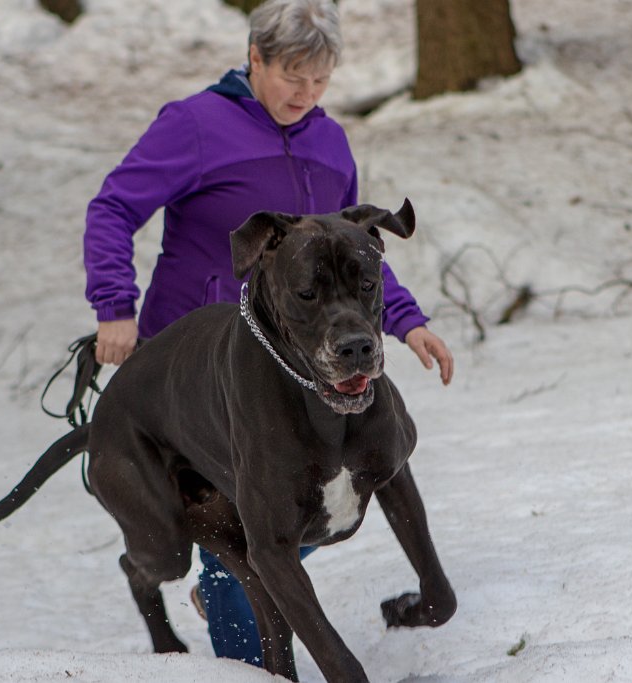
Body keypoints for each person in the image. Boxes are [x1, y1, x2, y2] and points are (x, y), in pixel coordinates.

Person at [82, 0, 453, 667]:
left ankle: (241, 576)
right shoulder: (194, 126)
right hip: (198, 368)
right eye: (291, 76)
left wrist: (406, 319)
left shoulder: (328, 140)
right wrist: (114, 304)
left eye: (319, 81)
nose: (305, 95)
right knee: (250, 536)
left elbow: (347, 256)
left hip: (300, 362)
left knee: (292, 503)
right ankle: (237, 621)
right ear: (254, 58)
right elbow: (112, 208)